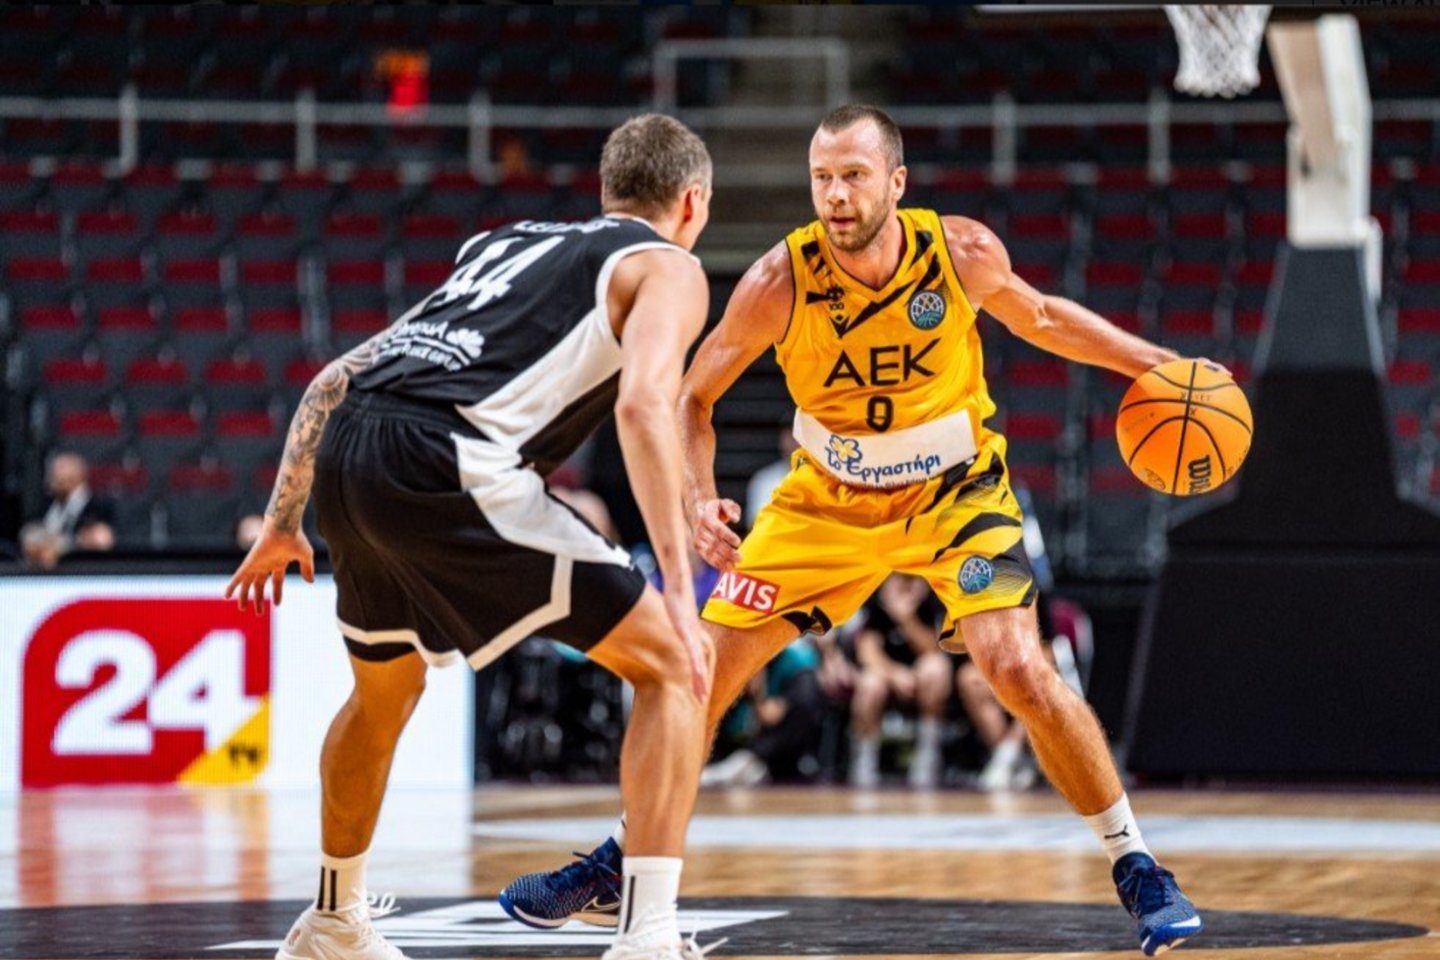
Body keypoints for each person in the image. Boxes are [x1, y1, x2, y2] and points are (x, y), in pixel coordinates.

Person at [503, 105, 1209, 956]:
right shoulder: (779, 280)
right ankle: (626, 857)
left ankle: (1136, 864)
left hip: (958, 496)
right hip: (824, 507)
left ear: (896, 183)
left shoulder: (959, 252)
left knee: (1019, 666)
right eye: (822, 179)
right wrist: (699, 496)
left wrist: (1156, 365)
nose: (835, 196)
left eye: (854, 177)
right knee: (695, 677)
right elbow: (693, 397)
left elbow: (1046, 319)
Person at [227, 114, 718, 960]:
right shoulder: (668, 266)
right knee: (675, 662)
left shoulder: (505, 243)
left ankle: (333, 920)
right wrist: (677, 583)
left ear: (606, 191)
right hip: (451, 459)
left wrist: (282, 521)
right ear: (693, 202)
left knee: (383, 694)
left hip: (351, 452)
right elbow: (643, 406)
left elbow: (334, 379)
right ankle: (648, 936)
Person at [845, 574, 952, 788]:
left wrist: (905, 617)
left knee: (936, 668)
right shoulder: (877, 592)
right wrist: (895, 674)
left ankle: (927, 755)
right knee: (869, 684)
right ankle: (864, 760)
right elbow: (867, 653)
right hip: (885, 675)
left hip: (921, 675)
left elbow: (934, 649)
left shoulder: (933, 593)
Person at [20, 451, 115, 570]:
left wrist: (61, 546)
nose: (51, 478)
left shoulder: (99, 507)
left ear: (76, 476)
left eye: (57, 471)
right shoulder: (47, 506)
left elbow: (101, 541)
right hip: (46, 574)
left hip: (83, 571)